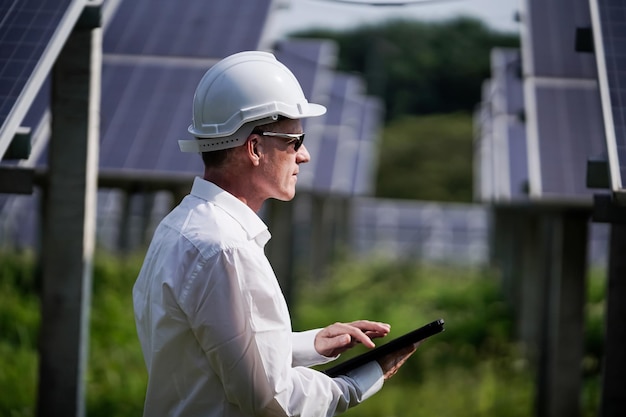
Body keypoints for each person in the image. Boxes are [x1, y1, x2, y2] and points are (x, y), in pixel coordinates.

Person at [133, 50, 417, 417]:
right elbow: (273, 399)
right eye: (294, 141)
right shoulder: (225, 249)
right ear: (254, 148)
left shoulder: (181, 227)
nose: (305, 155)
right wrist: (357, 383)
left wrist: (312, 343)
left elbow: (214, 349)